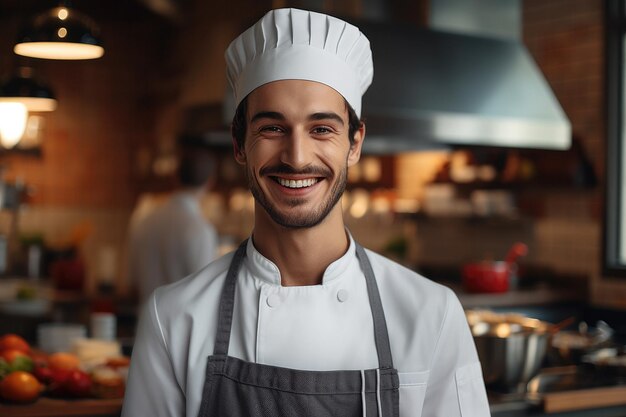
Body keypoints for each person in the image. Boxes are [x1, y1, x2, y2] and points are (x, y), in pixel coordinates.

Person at [122, 8, 490, 417]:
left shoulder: (431, 316)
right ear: (240, 143)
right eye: (272, 128)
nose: (297, 158)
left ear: (354, 143)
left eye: (321, 129)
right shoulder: (174, 319)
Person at [126, 139, 219, 307]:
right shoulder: (200, 229)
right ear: (210, 182)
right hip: (182, 330)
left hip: (145, 326)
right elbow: (204, 294)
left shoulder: (144, 221)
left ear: (174, 177)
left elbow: (132, 283)